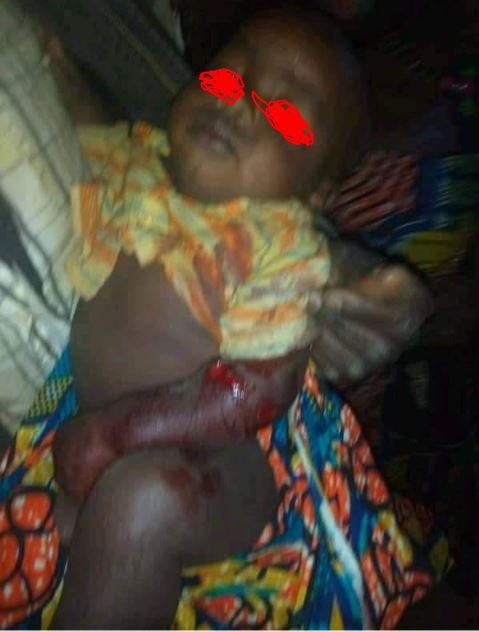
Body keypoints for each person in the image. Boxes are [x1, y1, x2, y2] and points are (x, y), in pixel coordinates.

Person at [0, 5, 444, 630]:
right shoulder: (140, 161)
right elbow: (92, 131)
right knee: (59, 522)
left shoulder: (277, 244)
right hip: (93, 435)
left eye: (284, 116)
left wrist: (117, 432)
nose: (240, 105)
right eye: (227, 78)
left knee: (144, 502)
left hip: (231, 460)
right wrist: (61, 70)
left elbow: (260, 389)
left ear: (315, 194)